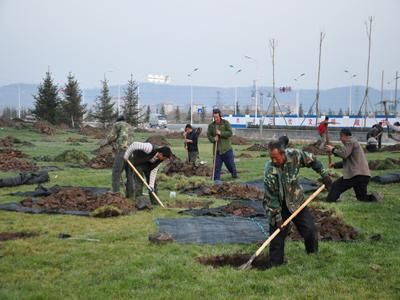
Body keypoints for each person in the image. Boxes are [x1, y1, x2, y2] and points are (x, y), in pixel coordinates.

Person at [263, 140, 332, 268]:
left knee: (310, 230)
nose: (273, 161)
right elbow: (271, 197)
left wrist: (324, 175)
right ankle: (275, 264)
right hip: (279, 205)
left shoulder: (295, 155)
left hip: (296, 201)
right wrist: (277, 217)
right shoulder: (270, 171)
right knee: (277, 235)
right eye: (271, 158)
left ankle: (312, 255)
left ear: (283, 154)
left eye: (275, 157)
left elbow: (313, 160)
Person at [325, 128, 382, 202]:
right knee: (362, 198)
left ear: (344, 135)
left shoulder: (350, 141)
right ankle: (374, 198)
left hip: (356, 175)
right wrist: (335, 165)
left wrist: (332, 149)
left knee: (336, 186)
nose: (340, 139)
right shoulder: (353, 142)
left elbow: (344, 154)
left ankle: (330, 200)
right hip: (364, 176)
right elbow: (349, 161)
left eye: (341, 137)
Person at [207, 108, 238, 183]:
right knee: (216, 166)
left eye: (217, 117)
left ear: (220, 116)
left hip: (227, 149)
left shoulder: (225, 123)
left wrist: (221, 133)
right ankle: (216, 180)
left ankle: (234, 175)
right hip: (217, 150)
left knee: (230, 165)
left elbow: (230, 133)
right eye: (214, 117)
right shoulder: (211, 126)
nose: (216, 118)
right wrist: (214, 139)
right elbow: (209, 135)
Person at [106, 115, 134, 197]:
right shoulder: (130, 126)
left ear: (117, 120)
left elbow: (111, 137)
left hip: (123, 151)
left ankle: (115, 192)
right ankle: (130, 194)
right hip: (132, 152)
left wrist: (109, 141)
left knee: (116, 172)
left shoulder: (118, 124)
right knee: (129, 174)